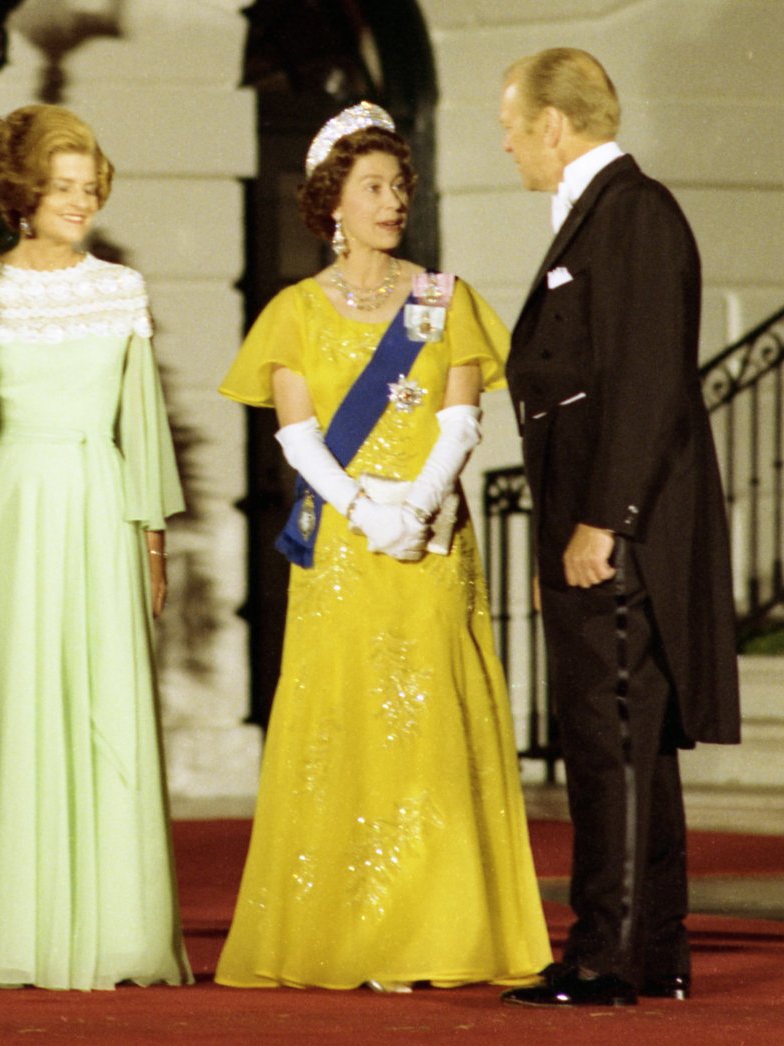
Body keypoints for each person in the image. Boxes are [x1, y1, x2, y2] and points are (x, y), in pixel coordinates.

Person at [215, 102, 551, 991]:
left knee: (432, 718)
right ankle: (350, 935)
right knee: (347, 723)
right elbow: (296, 438)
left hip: (433, 540)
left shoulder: (445, 298)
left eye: (400, 185)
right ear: (334, 201)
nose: (393, 200)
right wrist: (369, 514)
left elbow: (462, 417)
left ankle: (435, 932)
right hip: (346, 544)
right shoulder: (294, 310)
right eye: (374, 186)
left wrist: (421, 505)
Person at [0, 104, 192, 992]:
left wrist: (152, 541)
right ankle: (0, 932)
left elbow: (140, 423)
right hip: (5, 514)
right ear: (24, 193)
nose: (81, 202)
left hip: (101, 508)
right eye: (63, 188)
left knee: (103, 704)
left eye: (89, 187)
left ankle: (115, 936)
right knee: (6, 711)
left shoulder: (119, 290)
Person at [497, 48, 740, 1008]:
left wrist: (603, 522)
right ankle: (653, 949)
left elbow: (645, 384)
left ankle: (605, 958)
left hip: (621, 530)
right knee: (628, 742)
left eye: (512, 126)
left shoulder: (632, 214)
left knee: (613, 741)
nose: (507, 143)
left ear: (554, 125)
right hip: (596, 526)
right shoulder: (605, 216)